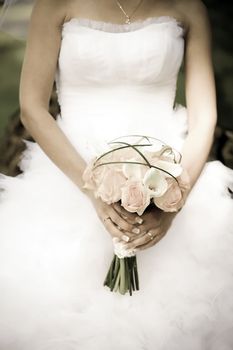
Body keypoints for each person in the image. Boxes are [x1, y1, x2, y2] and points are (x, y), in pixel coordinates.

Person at [0, 0, 233, 349]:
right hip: (71, 170)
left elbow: (204, 117)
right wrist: (93, 188)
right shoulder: (53, 6)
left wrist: (174, 197)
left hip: (168, 166)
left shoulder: (188, 8)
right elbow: (33, 107)